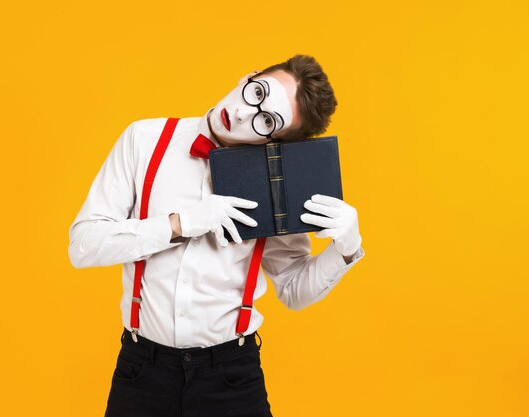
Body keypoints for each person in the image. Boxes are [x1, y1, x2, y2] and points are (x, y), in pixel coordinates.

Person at [68, 54, 365, 417]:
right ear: (249, 76)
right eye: (256, 93)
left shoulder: (275, 185)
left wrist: (346, 249)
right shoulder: (144, 139)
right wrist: (180, 224)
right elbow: (83, 245)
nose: (243, 113)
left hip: (231, 376)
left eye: (267, 120)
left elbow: (293, 289)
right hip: (142, 368)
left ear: (277, 141)